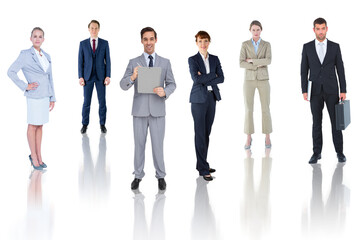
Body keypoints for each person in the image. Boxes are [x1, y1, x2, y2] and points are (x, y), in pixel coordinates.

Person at [120, 27, 176, 191]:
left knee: (158, 145)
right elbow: (123, 85)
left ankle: (161, 176)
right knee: (139, 145)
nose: (149, 42)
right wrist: (132, 77)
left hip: (158, 110)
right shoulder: (133, 62)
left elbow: (172, 83)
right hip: (139, 111)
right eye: (145, 39)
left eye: (151, 39)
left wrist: (165, 91)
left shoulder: (165, 62)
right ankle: (138, 176)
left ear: (156, 40)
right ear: (141, 41)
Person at [8, 27, 56, 170]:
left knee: (40, 125)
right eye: (34, 36)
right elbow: (10, 72)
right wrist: (25, 86)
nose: (37, 39)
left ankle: (39, 156)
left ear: (43, 39)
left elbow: (50, 77)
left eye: (40, 36)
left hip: (45, 95)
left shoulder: (47, 56)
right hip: (34, 95)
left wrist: (52, 96)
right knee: (32, 125)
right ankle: (33, 156)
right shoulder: (25, 55)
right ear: (30, 38)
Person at [301, 18, 347, 164]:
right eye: (318, 28)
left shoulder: (335, 46)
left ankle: (340, 152)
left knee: (336, 123)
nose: (320, 31)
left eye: (323, 28)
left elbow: (340, 69)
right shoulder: (307, 47)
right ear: (313, 30)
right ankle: (316, 153)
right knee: (316, 123)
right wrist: (304, 90)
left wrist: (343, 89)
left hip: (332, 89)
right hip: (314, 91)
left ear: (327, 28)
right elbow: (303, 70)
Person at [188, 31, 224, 181]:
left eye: (206, 41)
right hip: (198, 100)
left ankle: (202, 163)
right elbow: (196, 79)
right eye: (200, 41)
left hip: (212, 98)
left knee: (206, 133)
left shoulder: (215, 59)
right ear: (196, 43)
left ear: (209, 42)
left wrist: (206, 78)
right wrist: (212, 76)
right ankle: (203, 170)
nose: (203, 44)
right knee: (200, 134)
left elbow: (221, 78)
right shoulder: (193, 59)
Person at [240, 20, 272, 149]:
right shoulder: (245, 44)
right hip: (249, 80)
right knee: (248, 109)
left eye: (258, 29)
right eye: (253, 30)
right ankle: (248, 137)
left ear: (261, 30)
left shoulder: (267, 44)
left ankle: (267, 136)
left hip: (263, 79)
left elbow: (268, 60)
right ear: (250, 31)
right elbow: (241, 63)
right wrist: (258, 64)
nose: (256, 32)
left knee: (266, 108)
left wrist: (252, 60)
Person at [78, 20, 111, 134]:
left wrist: (108, 76)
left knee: (102, 102)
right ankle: (84, 124)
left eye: (96, 28)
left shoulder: (104, 43)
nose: (94, 30)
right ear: (88, 29)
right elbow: (80, 61)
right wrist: (80, 77)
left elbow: (108, 61)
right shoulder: (82, 44)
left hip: (101, 77)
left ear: (99, 29)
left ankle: (102, 124)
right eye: (92, 28)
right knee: (86, 102)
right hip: (87, 77)